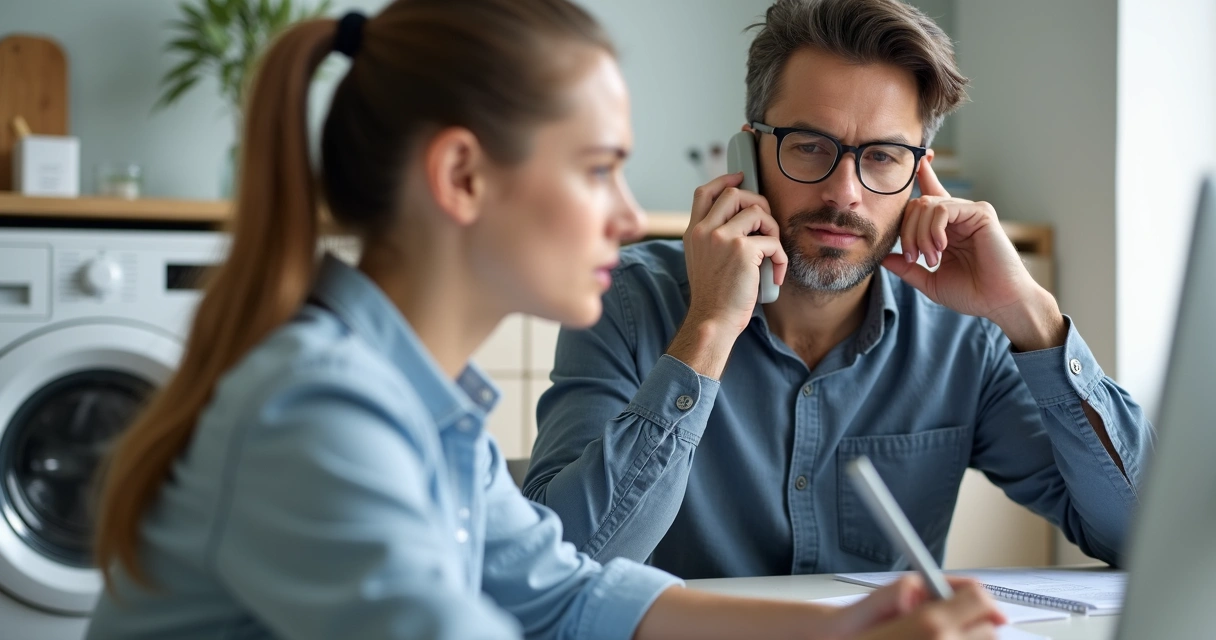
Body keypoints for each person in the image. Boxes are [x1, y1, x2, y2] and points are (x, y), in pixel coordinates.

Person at [85, 1, 1005, 639]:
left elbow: (570, 599)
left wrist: (845, 626)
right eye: (598, 167)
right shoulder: (315, 417)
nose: (624, 213)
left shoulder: (423, 412)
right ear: (463, 178)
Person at [524, 0, 1155, 580]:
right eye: (809, 146)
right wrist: (708, 332)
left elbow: (1143, 538)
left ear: (919, 174)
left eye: (882, 156)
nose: (844, 193)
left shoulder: (967, 336)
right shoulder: (628, 303)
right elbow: (560, 571)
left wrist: (1032, 316)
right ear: (747, 153)